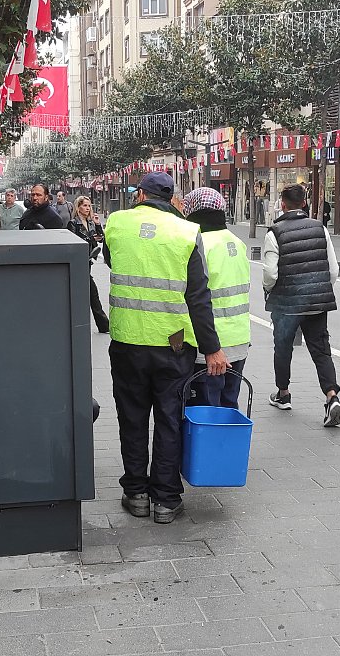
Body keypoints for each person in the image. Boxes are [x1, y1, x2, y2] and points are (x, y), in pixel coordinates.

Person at [104, 171, 228, 525]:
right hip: (173, 346)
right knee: (169, 419)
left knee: (132, 418)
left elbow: (113, 262)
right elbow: (198, 297)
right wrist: (213, 348)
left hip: (127, 341)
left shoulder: (116, 222)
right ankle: (165, 500)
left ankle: (136, 493)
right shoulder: (188, 232)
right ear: (171, 198)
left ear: (140, 195)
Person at [263, 184, 340, 428]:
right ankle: (332, 396)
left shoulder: (274, 233)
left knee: (283, 347)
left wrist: (270, 291)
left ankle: (283, 393)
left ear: (283, 204)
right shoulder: (320, 228)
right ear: (304, 204)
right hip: (317, 303)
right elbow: (333, 269)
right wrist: (320, 289)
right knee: (321, 350)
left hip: (287, 303)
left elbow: (270, 274)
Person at [182, 187, 250, 409]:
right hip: (239, 339)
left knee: (206, 413)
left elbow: (195, 297)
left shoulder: (198, 244)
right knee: (229, 407)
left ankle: (210, 446)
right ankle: (228, 446)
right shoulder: (237, 242)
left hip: (210, 344)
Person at [66, 195, 109, 333]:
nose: (88, 208)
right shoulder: (73, 223)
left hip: (89, 261)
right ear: (78, 208)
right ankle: (103, 325)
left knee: (90, 294)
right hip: (79, 262)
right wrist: (90, 238)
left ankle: (102, 325)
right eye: (85, 205)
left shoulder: (91, 222)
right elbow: (73, 242)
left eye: (89, 206)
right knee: (92, 294)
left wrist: (97, 224)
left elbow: (101, 238)